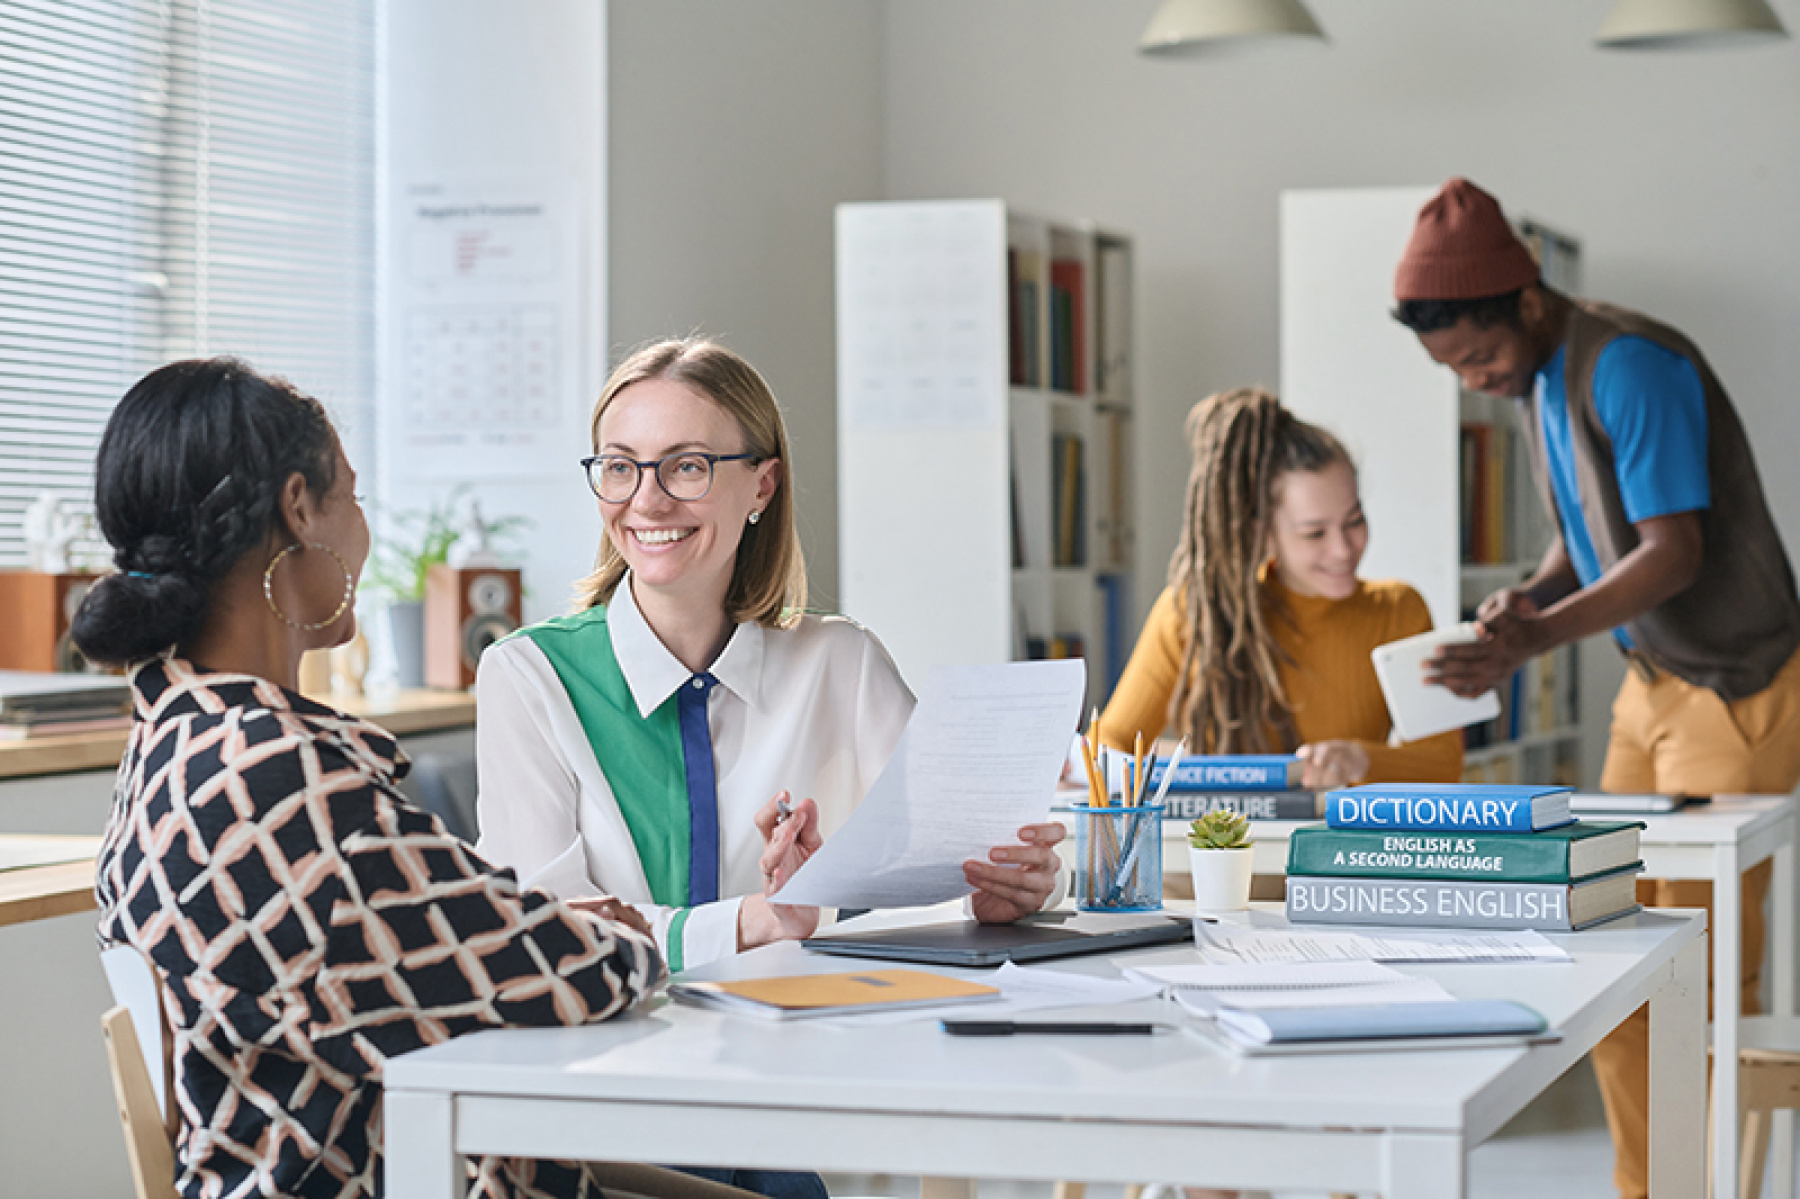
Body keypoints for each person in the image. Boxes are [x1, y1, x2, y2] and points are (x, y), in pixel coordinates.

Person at [82, 358, 665, 1199]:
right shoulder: (280, 782)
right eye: (350, 499)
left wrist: (535, 929)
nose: (364, 533)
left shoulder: (173, 744)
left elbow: (390, 950)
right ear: (297, 508)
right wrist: (618, 938)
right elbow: (583, 975)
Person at [1393, 177, 1800, 1199]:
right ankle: (1648, 1185)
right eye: (1456, 370)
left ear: (1528, 303)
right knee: (1610, 955)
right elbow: (1589, 530)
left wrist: (1530, 641)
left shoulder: (1627, 363)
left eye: (1480, 356)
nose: (1477, 381)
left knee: (1699, 981)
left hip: (1738, 686)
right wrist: (1522, 598)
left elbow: (1672, 551)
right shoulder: (1540, 381)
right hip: (1652, 683)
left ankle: (1698, 1187)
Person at [474, 336, 1067, 972]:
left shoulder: (842, 663)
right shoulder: (529, 677)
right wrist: (756, 920)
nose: (646, 500)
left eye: (687, 465)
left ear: (763, 485)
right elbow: (544, 927)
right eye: (621, 467)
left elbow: (965, 858)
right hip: (611, 1052)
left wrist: (1012, 887)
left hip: (804, 1047)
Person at [1098, 387, 1462, 787]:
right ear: (1263, 533)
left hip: (1340, 844)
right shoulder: (1192, 613)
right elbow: (1107, 749)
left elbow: (1443, 763)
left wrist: (1359, 760)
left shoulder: (1401, 610)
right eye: (1314, 533)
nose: (1343, 549)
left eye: (1354, 521)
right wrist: (1192, 764)